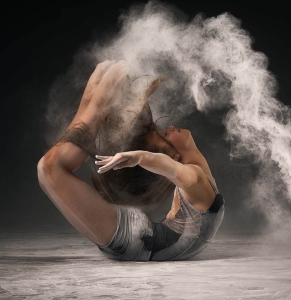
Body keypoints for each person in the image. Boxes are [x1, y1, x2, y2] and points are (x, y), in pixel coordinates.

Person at [37, 60, 224, 261]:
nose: (170, 128)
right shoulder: (199, 178)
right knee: (49, 169)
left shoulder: (194, 177)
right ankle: (92, 104)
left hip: (138, 241)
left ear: (173, 156)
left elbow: (173, 169)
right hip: (141, 238)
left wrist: (139, 157)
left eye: (164, 136)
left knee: (49, 169)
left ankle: (95, 105)